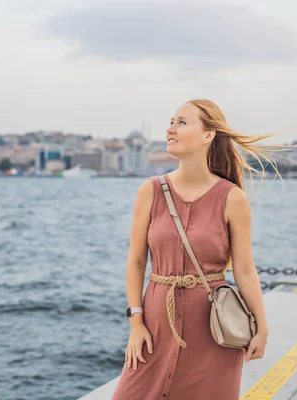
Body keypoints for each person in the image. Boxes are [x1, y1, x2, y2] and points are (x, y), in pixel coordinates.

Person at [112, 99, 284, 400]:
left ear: (208, 135)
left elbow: (244, 268)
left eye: (181, 122)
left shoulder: (232, 198)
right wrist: (135, 322)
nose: (170, 129)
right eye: (171, 121)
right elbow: (136, 261)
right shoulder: (150, 191)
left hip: (214, 334)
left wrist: (262, 326)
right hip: (153, 330)